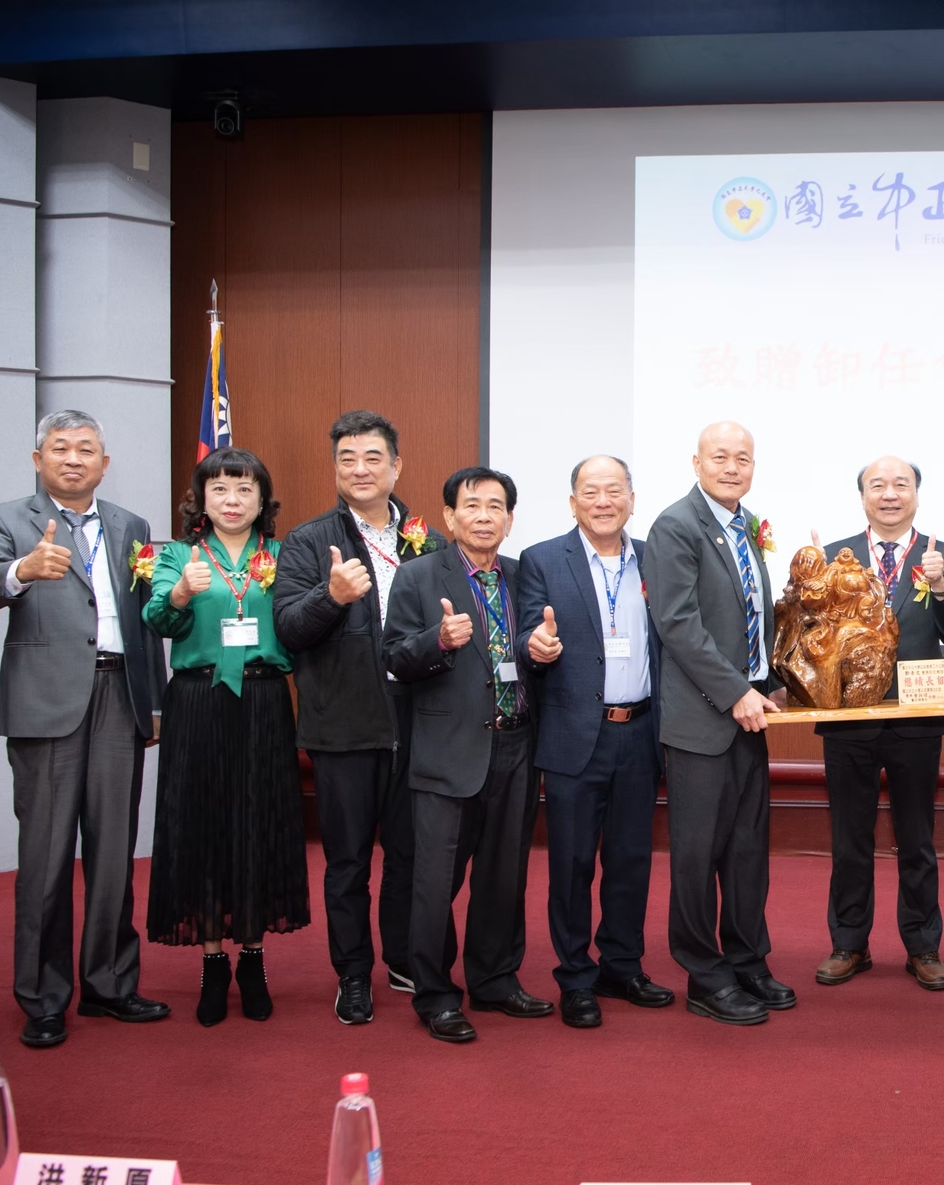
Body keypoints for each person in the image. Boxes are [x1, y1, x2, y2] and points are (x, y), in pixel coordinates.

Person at [0, 409, 170, 1049]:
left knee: (113, 854)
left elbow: (143, 619)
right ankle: (43, 997)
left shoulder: (131, 525)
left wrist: (153, 702)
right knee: (46, 857)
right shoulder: (6, 519)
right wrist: (21, 571)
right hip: (46, 702)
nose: (73, 459)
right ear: (38, 460)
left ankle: (109, 984)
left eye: (85, 449)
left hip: (119, 694)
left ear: (104, 464)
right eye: (60, 448)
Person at [273, 410, 449, 1026]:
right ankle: (352, 974)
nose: (360, 469)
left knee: (409, 854)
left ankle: (403, 957)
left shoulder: (426, 540)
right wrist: (332, 597)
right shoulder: (307, 541)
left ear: (396, 466)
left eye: (373, 457)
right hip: (343, 723)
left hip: (418, 718)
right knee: (347, 861)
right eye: (347, 459)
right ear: (336, 469)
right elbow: (288, 629)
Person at [384, 466, 554, 1043]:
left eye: (496, 506)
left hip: (516, 743)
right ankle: (435, 994)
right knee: (435, 883)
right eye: (472, 506)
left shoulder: (522, 575)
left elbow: (531, 647)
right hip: (448, 749)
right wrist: (437, 641)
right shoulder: (417, 575)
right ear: (450, 516)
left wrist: (542, 650)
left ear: (510, 518)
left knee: (504, 876)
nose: (484, 517)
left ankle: (495, 979)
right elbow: (394, 657)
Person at [142, 447, 310, 1025]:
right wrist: (180, 594)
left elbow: (302, 624)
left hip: (263, 701)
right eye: (219, 489)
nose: (232, 500)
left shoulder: (283, 557)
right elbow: (158, 620)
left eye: (244, 489)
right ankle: (212, 960)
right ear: (201, 500)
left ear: (262, 501)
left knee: (259, 822)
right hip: (199, 701)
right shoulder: (176, 555)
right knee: (204, 825)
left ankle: (253, 957)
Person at [515, 455, 674, 1029]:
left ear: (631, 498)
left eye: (614, 490)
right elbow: (527, 631)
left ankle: (622, 966)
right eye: (590, 491)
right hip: (574, 735)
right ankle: (576, 978)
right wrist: (536, 646)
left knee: (631, 860)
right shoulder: (541, 560)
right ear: (572, 502)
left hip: (642, 731)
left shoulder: (655, 558)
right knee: (572, 863)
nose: (603, 501)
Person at [644, 422, 795, 1026]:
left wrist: (769, 678)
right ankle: (705, 976)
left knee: (746, 851)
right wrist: (736, 691)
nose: (732, 467)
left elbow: (748, 615)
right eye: (720, 457)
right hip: (702, 720)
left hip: (748, 717)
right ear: (696, 462)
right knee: (697, 855)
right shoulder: (676, 526)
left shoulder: (747, 525)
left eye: (743, 458)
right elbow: (678, 624)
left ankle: (747, 959)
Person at [812, 456, 944, 992]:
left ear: (917, 494)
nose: (890, 494)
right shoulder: (834, 555)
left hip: (916, 717)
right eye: (878, 485)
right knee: (848, 839)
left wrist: (941, 587)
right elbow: (816, 633)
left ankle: (923, 946)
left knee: (917, 839)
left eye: (902, 484)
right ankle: (849, 944)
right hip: (850, 720)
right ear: (863, 497)